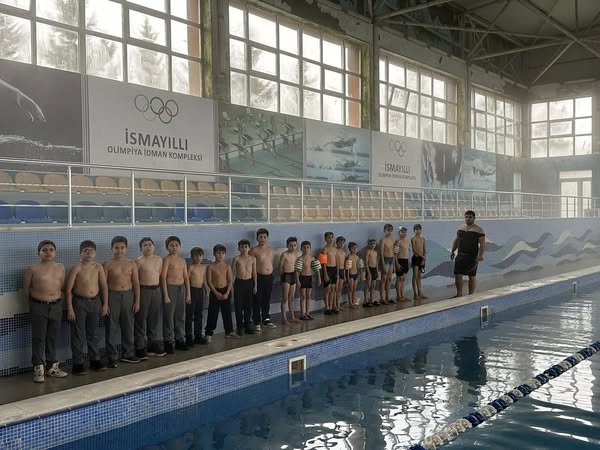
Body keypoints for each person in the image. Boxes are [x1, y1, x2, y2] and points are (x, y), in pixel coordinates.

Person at [24, 240, 67, 382]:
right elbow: (26, 291)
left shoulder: (60, 267)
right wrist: (31, 307)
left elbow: (62, 287)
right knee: (39, 338)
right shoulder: (32, 269)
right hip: (39, 305)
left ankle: (52, 367)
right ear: (38, 253)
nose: (48, 252)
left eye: (51, 250)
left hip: (56, 305)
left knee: (52, 337)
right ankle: (38, 368)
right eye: (44, 250)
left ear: (55, 252)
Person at [65, 240, 109, 375]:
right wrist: (70, 308)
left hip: (95, 302)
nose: (89, 253)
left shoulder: (98, 267)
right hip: (79, 303)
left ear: (95, 253)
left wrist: (105, 304)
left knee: (93, 333)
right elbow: (68, 290)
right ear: (80, 253)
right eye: (85, 251)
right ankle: (78, 363)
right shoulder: (76, 267)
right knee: (78, 334)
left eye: (91, 251)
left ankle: (95, 360)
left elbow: (104, 287)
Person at [104, 236, 141, 366]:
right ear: (112, 249)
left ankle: (128, 353)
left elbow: (136, 283)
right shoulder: (107, 264)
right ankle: (112, 356)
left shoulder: (132, 264)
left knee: (128, 326)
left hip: (128, 296)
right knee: (111, 327)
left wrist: (137, 301)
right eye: (116, 248)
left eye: (122, 247)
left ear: (126, 249)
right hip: (112, 296)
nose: (119, 250)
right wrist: (105, 303)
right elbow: (104, 285)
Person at [135, 237, 166, 358]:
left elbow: (160, 275)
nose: (148, 247)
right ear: (140, 249)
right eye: (145, 245)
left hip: (156, 290)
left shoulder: (159, 259)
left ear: (154, 247)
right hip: (144, 291)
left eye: (150, 244)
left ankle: (152, 344)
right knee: (141, 319)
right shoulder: (138, 262)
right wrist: (137, 298)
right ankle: (140, 346)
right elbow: (135, 281)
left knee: (154, 319)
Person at [161, 236, 191, 353]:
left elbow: (186, 278)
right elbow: (163, 278)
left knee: (180, 316)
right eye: (171, 245)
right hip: (170, 288)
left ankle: (180, 339)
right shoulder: (166, 260)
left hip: (181, 288)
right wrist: (166, 295)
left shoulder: (182, 260)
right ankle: (168, 341)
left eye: (176, 245)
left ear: (180, 247)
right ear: (167, 247)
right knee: (169, 316)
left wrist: (188, 294)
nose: (174, 247)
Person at [206, 244, 238, 340]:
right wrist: (216, 292)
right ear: (214, 254)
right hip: (215, 291)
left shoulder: (227, 266)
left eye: (222, 253)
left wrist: (227, 293)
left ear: (225, 254)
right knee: (212, 313)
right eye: (218, 253)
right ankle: (208, 333)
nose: (220, 255)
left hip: (225, 291)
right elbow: (209, 281)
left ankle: (229, 331)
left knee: (227, 312)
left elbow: (230, 281)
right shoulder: (210, 267)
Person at [451, 211, 486, 297]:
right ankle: (459, 293)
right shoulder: (461, 228)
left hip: (472, 256)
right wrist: (452, 251)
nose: (468, 219)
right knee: (457, 274)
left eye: (470, 217)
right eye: (466, 217)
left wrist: (479, 256)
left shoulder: (479, 230)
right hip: (460, 255)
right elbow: (456, 240)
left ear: (474, 218)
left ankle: (471, 295)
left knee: (471, 275)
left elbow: (482, 245)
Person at [250, 228, 276, 330]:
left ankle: (266, 318)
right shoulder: (254, 250)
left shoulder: (270, 250)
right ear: (257, 238)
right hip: (258, 277)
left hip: (269, 277)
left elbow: (271, 262)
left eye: (265, 237)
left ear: (267, 238)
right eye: (260, 237)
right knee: (257, 299)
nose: (263, 239)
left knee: (266, 298)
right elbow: (251, 265)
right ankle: (256, 320)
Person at [232, 240, 257, 336]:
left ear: (249, 248)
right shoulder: (236, 259)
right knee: (238, 306)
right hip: (239, 282)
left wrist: (255, 285)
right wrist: (231, 287)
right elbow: (232, 274)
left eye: (246, 247)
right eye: (242, 247)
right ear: (239, 248)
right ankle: (239, 326)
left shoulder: (253, 259)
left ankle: (247, 325)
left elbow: (254, 273)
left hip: (249, 282)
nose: (244, 249)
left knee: (248, 305)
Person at [187, 247, 208, 346]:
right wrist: (188, 294)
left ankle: (198, 335)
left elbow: (204, 280)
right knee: (189, 315)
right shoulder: (191, 267)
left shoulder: (203, 267)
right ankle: (188, 336)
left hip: (200, 291)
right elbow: (186, 280)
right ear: (192, 257)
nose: (198, 258)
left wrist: (206, 290)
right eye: (195, 256)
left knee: (199, 314)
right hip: (192, 290)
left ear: (202, 256)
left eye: (200, 255)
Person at [296, 241, 321, 320]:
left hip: (309, 278)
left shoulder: (312, 258)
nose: (306, 249)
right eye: (304, 248)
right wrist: (298, 281)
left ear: (310, 249)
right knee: (303, 296)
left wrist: (319, 279)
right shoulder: (300, 259)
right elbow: (297, 271)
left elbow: (317, 270)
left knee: (308, 296)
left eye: (308, 247)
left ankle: (307, 312)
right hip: (302, 278)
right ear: (301, 249)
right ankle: (302, 314)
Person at [279, 237, 300, 325]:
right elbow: (280, 267)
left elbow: (296, 268)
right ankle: (283, 318)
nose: (293, 247)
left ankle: (292, 317)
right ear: (287, 246)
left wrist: (297, 279)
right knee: (285, 298)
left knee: (291, 298)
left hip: (293, 276)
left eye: (294, 245)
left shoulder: (295, 255)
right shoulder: (284, 254)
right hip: (286, 276)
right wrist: (282, 278)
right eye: (290, 245)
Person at [321, 231, 337, 315]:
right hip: (327, 269)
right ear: (325, 239)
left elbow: (337, 261)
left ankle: (331, 306)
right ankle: (327, 307)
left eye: (332, 237)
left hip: (334, 269)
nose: (330, 239)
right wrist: (325, 274)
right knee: (327, 289)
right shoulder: (324, 249)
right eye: (328, 237)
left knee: (333, 289)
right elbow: (323, 263)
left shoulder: (335, 249)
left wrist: (337, 272)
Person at [379, 224, 396, 304]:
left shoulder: (392, 239)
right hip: (385, 260)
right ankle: (382, 298)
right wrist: (383, 264)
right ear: (384, 230)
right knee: (383, 279)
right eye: (388, 230)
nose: (390, 232)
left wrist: (394, 264)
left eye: (391, 230)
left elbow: (393, 252)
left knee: (389, 279)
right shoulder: (383, 240)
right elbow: (381, 254)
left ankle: (388, 297)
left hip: (391, 260)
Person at [410, 224, 427, 300]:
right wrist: (422, 256)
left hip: (421, 259)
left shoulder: (423, 239)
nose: (418, 231)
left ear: (421, 230)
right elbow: (414, 250)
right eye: (416, 229)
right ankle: (415, 294)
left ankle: (420, 293)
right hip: (416, 258)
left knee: (419, 277)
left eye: (419, 229)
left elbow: (424, 250)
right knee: (415, 276)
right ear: (414, 230)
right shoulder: (413, 239)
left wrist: (423, 259)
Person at [393, 226, 410, 302]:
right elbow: (395, 254)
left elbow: (408, 252)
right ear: (399, 233)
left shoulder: (407, 241)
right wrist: (397, 264)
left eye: (405, 232)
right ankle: (398, 296)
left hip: (406, 261)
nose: (404, 233)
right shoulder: (398, 241)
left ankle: (403, 295)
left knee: (403, 279)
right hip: (400, 261)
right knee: (399, 279)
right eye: (402, 232)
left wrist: (408, 262)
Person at [364, 238, 379, 307]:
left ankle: (372, 299)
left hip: (374, 269)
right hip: (369, 269)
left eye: (374, 243)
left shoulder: (375, 252)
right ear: (368, 244)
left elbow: (376, 262)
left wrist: (377, 271)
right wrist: (368, 272)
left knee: (373, 286)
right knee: (368, 285)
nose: (373, 245)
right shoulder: (368, 251)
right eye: (371, 244)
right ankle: (365, 301)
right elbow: (366, 263)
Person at [345, 242, 361, 309]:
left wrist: (359, 275)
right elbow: (347, 268)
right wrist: (347, 277)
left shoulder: (357, 257)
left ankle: (354, 302)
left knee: (354, 289)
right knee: (350, 289)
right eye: (353, 248)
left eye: (355, 248)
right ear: (350, 249)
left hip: (356, 274)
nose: (355, 249)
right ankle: (350, 303)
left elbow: (358, 267)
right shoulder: (349, 257)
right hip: (351, 274)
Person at [334, 236, 347, 312]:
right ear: (337, 243)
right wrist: (338, 273)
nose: (342, 244)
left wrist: (344, 274)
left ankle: (338, 304)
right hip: (337, 271)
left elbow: (344, 265)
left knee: (339, 290)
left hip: (342, 271)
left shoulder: (344, 253)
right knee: (335, 290)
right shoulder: (335, 251)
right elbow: (336, 263)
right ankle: (334, 305)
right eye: (340, 242)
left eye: (343, 242)